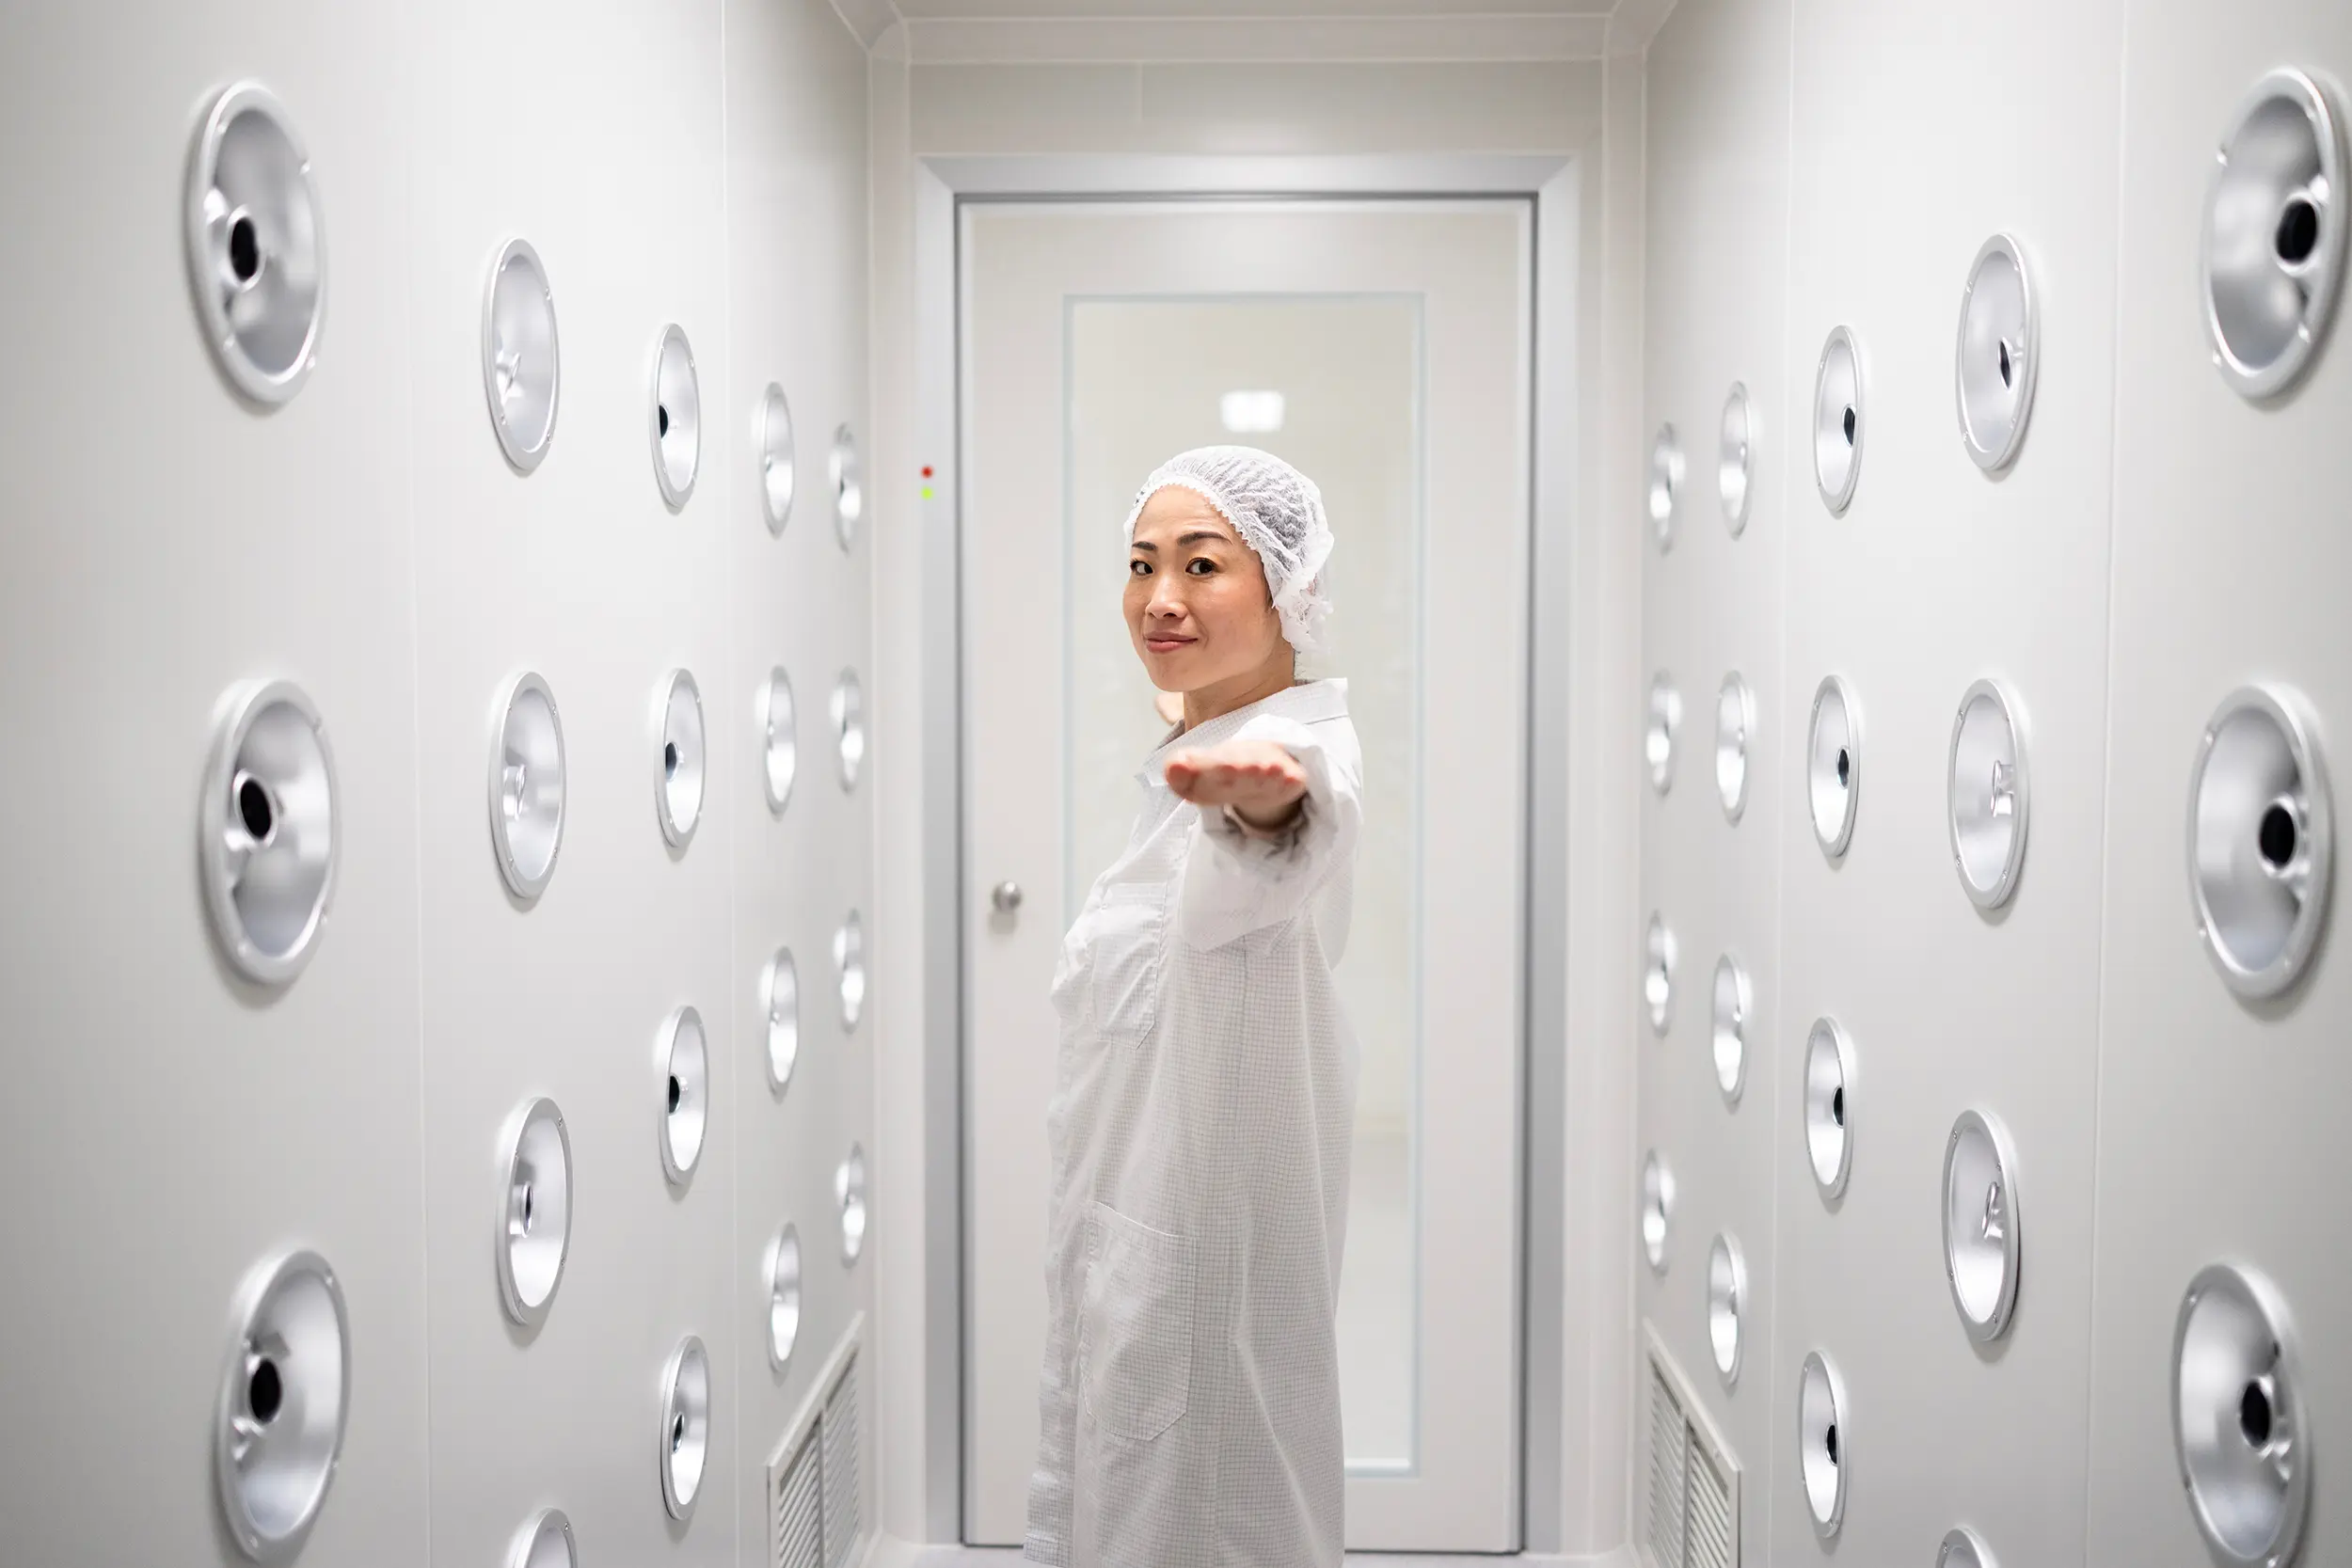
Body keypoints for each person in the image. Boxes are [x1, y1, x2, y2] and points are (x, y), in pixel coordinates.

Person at [1025, 447, 1364, 1568]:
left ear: (1287, 591)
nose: (1159, 597)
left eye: (1202, 563)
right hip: (1145, 1243)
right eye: (1141, 563)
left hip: (1198, 1282)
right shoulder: (1192, 757)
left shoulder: (1291, 752)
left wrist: (1262, 807)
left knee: (1207, 1520)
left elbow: (1278, 845)